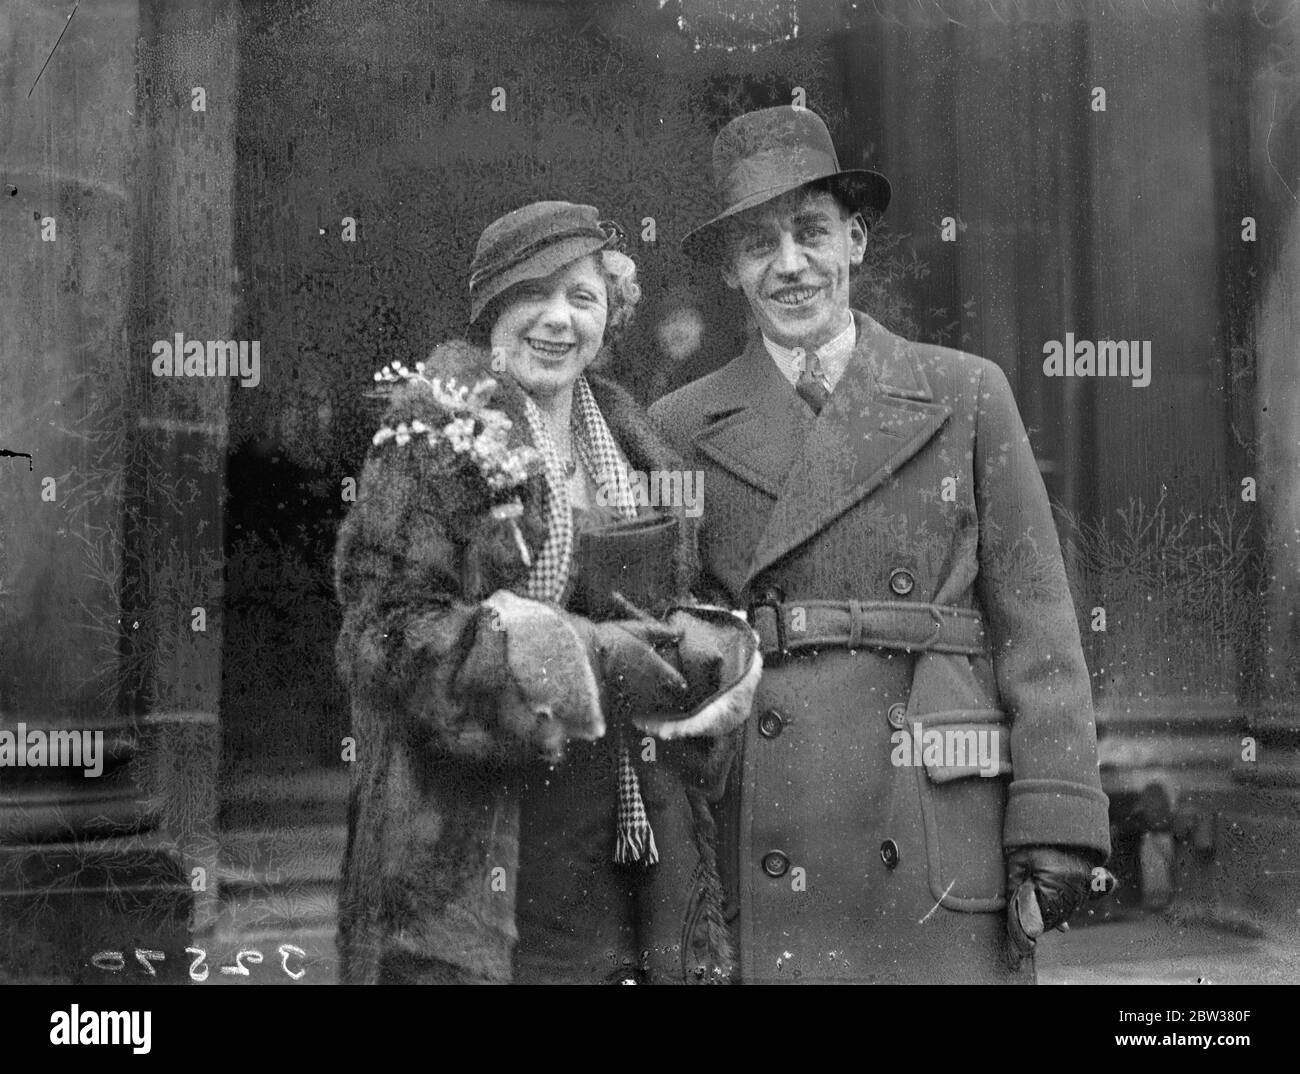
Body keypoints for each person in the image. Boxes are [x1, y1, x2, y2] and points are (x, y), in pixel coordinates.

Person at [650, 107, 1111, 983]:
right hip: (770, 808)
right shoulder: (676, 426)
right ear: (730, 270)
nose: (790, 265)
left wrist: (1056, 818)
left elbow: (1038, 622)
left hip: (934, 793)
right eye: (758, 245)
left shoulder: (967, 393)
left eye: (812, 233)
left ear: (855, 241)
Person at [333, 200, 759, 984]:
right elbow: (385, 635)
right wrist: (577, 658)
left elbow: (690, 592)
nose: (557, 320)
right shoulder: (432, 436)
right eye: (534, 293)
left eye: (583, 298)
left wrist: (709, 646)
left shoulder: (635, 441)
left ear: (610, 317)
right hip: (484, 842)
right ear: (493, 307)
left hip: (628, 827)